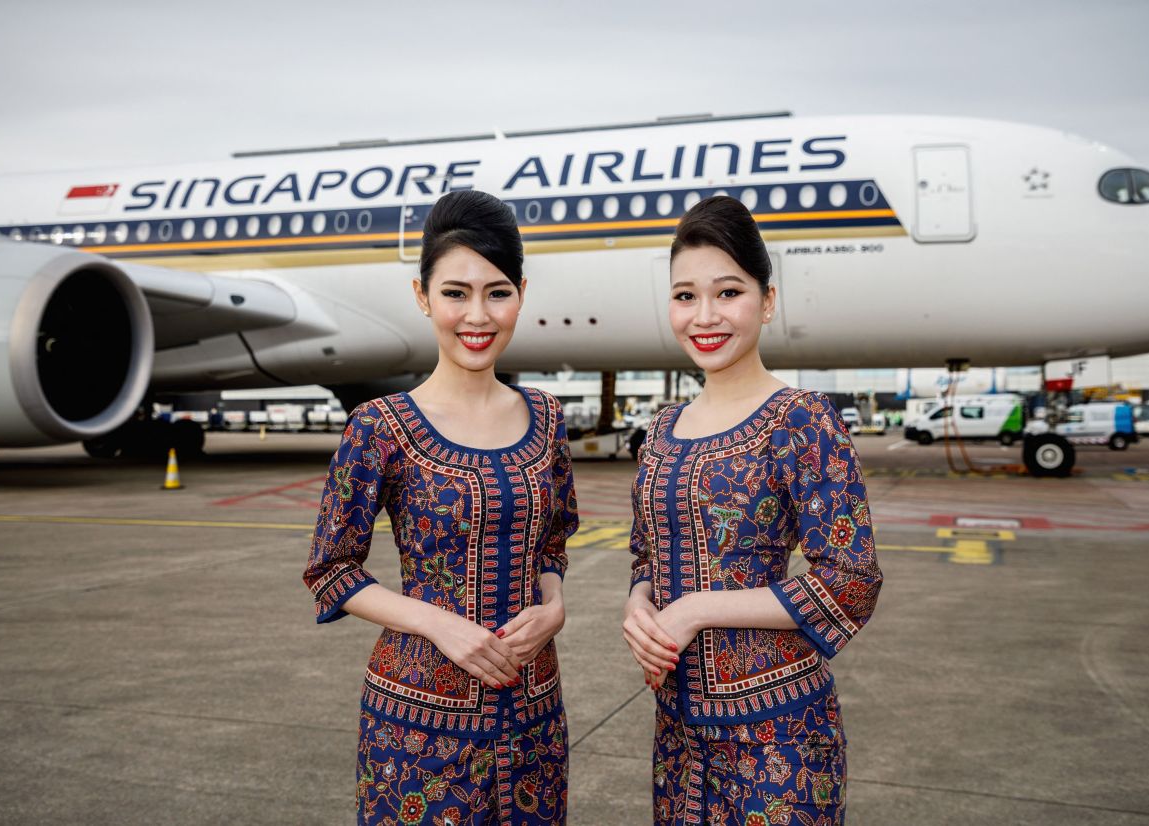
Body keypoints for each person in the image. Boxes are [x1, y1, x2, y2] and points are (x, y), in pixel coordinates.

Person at [304, 190, 578, 825]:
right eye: (455, 293)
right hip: (416, 729)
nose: (476, 315)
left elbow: (554, 543)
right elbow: (331, 572)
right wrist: (440, 624)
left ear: (521, 293)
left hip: (533, 718)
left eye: (497, 292)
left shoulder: (545, 418)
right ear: (423, 296)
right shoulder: (380, 426)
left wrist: (554, 607)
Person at [622, 196, 883, 825]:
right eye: (685, 296)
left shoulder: (802, 419)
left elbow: (850, 581)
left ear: (767, 301)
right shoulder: (661, 430)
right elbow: (646, 555)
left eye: (728, 292)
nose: (704, 316)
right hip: (679, 731)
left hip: (779, 735)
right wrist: (639, 606)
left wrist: (696, 609)